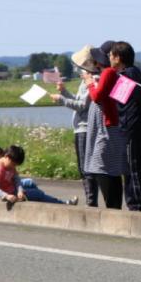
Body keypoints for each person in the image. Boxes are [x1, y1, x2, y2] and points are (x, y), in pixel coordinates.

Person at [109, 41, 141, 212]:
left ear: (118, 58)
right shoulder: (132, 74)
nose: (109, 59)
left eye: (111, 56)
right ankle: (134, 203)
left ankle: (138, 204)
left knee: (132, 168)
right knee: (129, 167)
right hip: (130, 128)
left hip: (130, 128)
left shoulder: (128, 76)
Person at [81, 45, 129, 210]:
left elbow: (97, 96)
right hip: (113, 124)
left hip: (106, 126)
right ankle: (114, 206)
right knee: (111, 167)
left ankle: (112, 206)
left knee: (101, 165)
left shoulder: (108, 72)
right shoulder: (114, 74)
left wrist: (89, 83)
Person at [52, 46, 100, 207]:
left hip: (84, 128)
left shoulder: (92, 79)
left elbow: (81, 105)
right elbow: (78, 101)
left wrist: (61, 99)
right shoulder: (85, 80)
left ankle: (91, 202)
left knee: (85, 168)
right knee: (84, 167)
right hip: (81, 127)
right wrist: (64, 92)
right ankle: (90, 200)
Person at [0, 145, 76, 206]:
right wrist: (6, 196)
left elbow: (16, 179)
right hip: (4, 193)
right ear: (7, 157)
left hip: (10, 189)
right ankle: (62, 204)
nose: (14, 167)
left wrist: (20, 190)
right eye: (13, 164)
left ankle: (39, 198)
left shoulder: (9, 165)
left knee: (32, 188)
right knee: (38, 194)